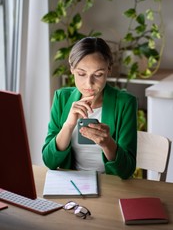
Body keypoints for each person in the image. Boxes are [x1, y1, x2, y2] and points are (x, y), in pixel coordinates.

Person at [42, 37, 137, 179]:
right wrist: (68, 125)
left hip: (110, 185)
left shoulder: (125, 103)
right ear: (72, 69)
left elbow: (127, 170)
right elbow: (49, 161)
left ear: (108, 70)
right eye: (81, 74)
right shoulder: (62, 98)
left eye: (98, 75)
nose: (89, 83)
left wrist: (108, 143)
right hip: (72, 182)